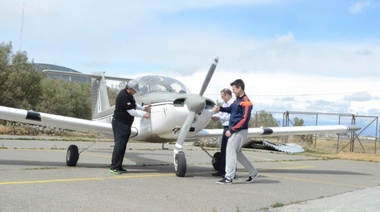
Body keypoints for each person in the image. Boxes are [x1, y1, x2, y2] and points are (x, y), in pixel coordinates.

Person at [213, 79, 259, 184]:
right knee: (237, 153)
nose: (233, 91)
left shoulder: (246, 102)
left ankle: (229, 177)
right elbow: (230, 109)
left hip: (239, 130)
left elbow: (244, 119)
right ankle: (253, 172)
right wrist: (220, 108)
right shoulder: (237, 100)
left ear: (240, 88)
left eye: (234, 89)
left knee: (230, 150)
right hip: (237, 130)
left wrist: (232, 130)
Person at [109, 80, 151, 174]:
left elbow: (134, 105)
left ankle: (118, 166)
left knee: (122, 145)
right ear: (130, 89)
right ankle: (114, 167)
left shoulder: (129, 96)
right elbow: (132, 112)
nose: (136, 92)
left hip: (125, 123)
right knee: (119, 145)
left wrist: (144, 108)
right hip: (120, 123)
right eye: (135, 90)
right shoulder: (123, 96)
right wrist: (144, 114)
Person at [211, 88, 234, 177]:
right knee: (223, 150)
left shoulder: (233, 104)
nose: (222, 98)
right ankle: (222, 170)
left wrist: (218, 117)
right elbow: (221, 114)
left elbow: (228, 116)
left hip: (230, 128)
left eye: (223, 96)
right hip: (225, 128)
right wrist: (212, 115)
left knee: (230, 151)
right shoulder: (225, 104)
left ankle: (230, 172)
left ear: (227, 95)